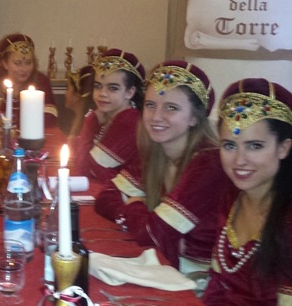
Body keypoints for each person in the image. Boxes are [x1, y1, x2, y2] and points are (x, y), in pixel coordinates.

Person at [95, 61, 231, 275]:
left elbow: (152, 233)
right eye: (150, 105)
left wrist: (133, 205)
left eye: (171, 108)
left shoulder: (208, 163)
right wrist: (141, 217)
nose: (156, 116)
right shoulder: (157, 152)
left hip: (199, 280)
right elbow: (105, 198)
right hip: (165, 267)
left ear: (194, 117)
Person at [203, 78, 292, 305]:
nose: (239, 161)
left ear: (283, 148)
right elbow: (217, 286)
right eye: (230, 145)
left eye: (255, 146)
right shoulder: (231, 196)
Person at [72, 49, 144, 183]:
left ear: (129, 92)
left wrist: (90, 122)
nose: (102, 94)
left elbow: (85, 169)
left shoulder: (129, 121)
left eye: (113, 88)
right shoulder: (109, 116)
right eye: (98, 86)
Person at [0, 33, 57, 128]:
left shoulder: (41, 81)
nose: (24, 69)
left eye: (28, 63)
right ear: (5, 63)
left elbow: (50, 117)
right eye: (17, 63)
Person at [65, 65, 95, 141]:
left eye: (67, 88)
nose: (65, 93)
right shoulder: (77, 120)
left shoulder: (88, 124)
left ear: (77, 95)